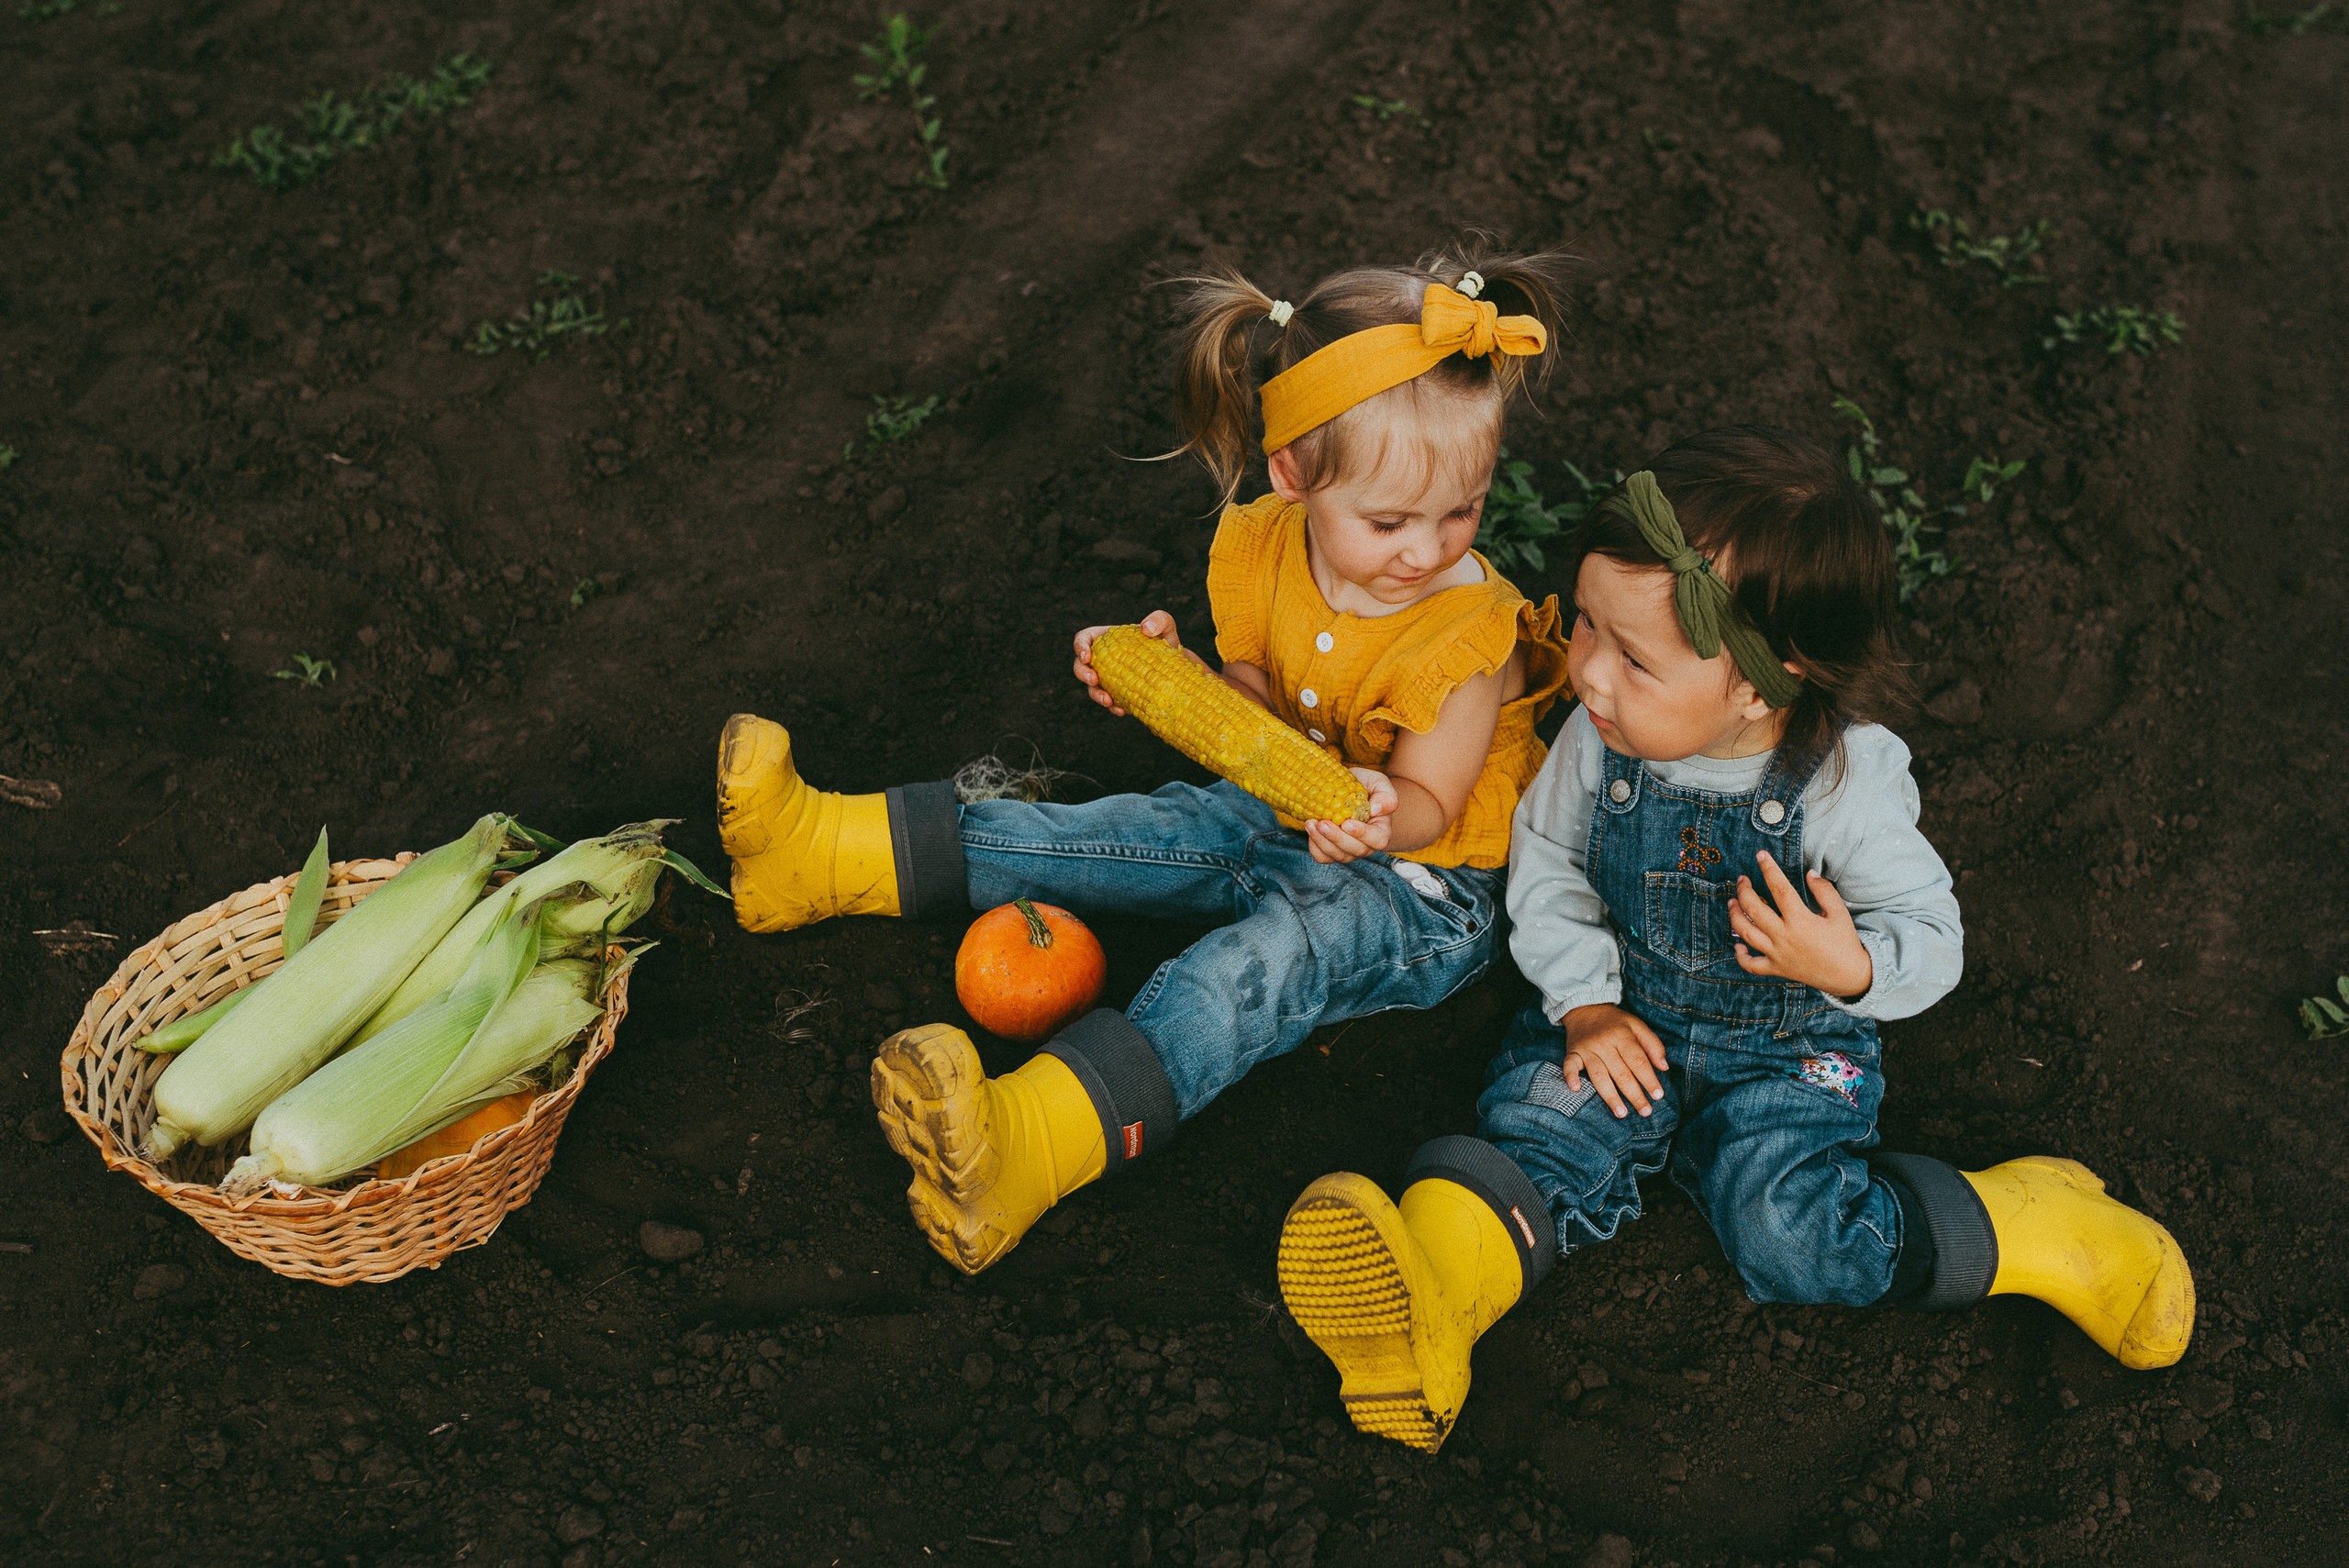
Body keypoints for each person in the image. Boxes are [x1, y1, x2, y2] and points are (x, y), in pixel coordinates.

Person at [1276, 427, 2195, 1452]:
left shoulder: (1842, 790)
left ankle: (2027, 1220)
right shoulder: (1599, 739)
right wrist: (1585, 1002)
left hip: (1785, 1050)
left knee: (1783, 1225)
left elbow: (1933, 936)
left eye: (1634, 658)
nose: (1589, 673)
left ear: (1761, 686)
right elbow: (1550, 863)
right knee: (1543, 1122)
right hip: (1624, 1017)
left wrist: (1848, 966)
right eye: (1585, 624)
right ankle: (1435, 1295)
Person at [713, 241, 1576, 1276]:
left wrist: (1382, 808)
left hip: (1417, 884)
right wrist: (1180, 687)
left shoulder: (1467, 635)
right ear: (1294, 475)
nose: (1426, 549)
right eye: (1389, 520)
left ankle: (1030, 1142)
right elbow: (1255, 713)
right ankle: (823, 848)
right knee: (1123, 832)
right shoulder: (1266, 545)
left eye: (1461, 511)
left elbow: (1434, 797)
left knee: (1254, 968)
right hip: (1287, 806)